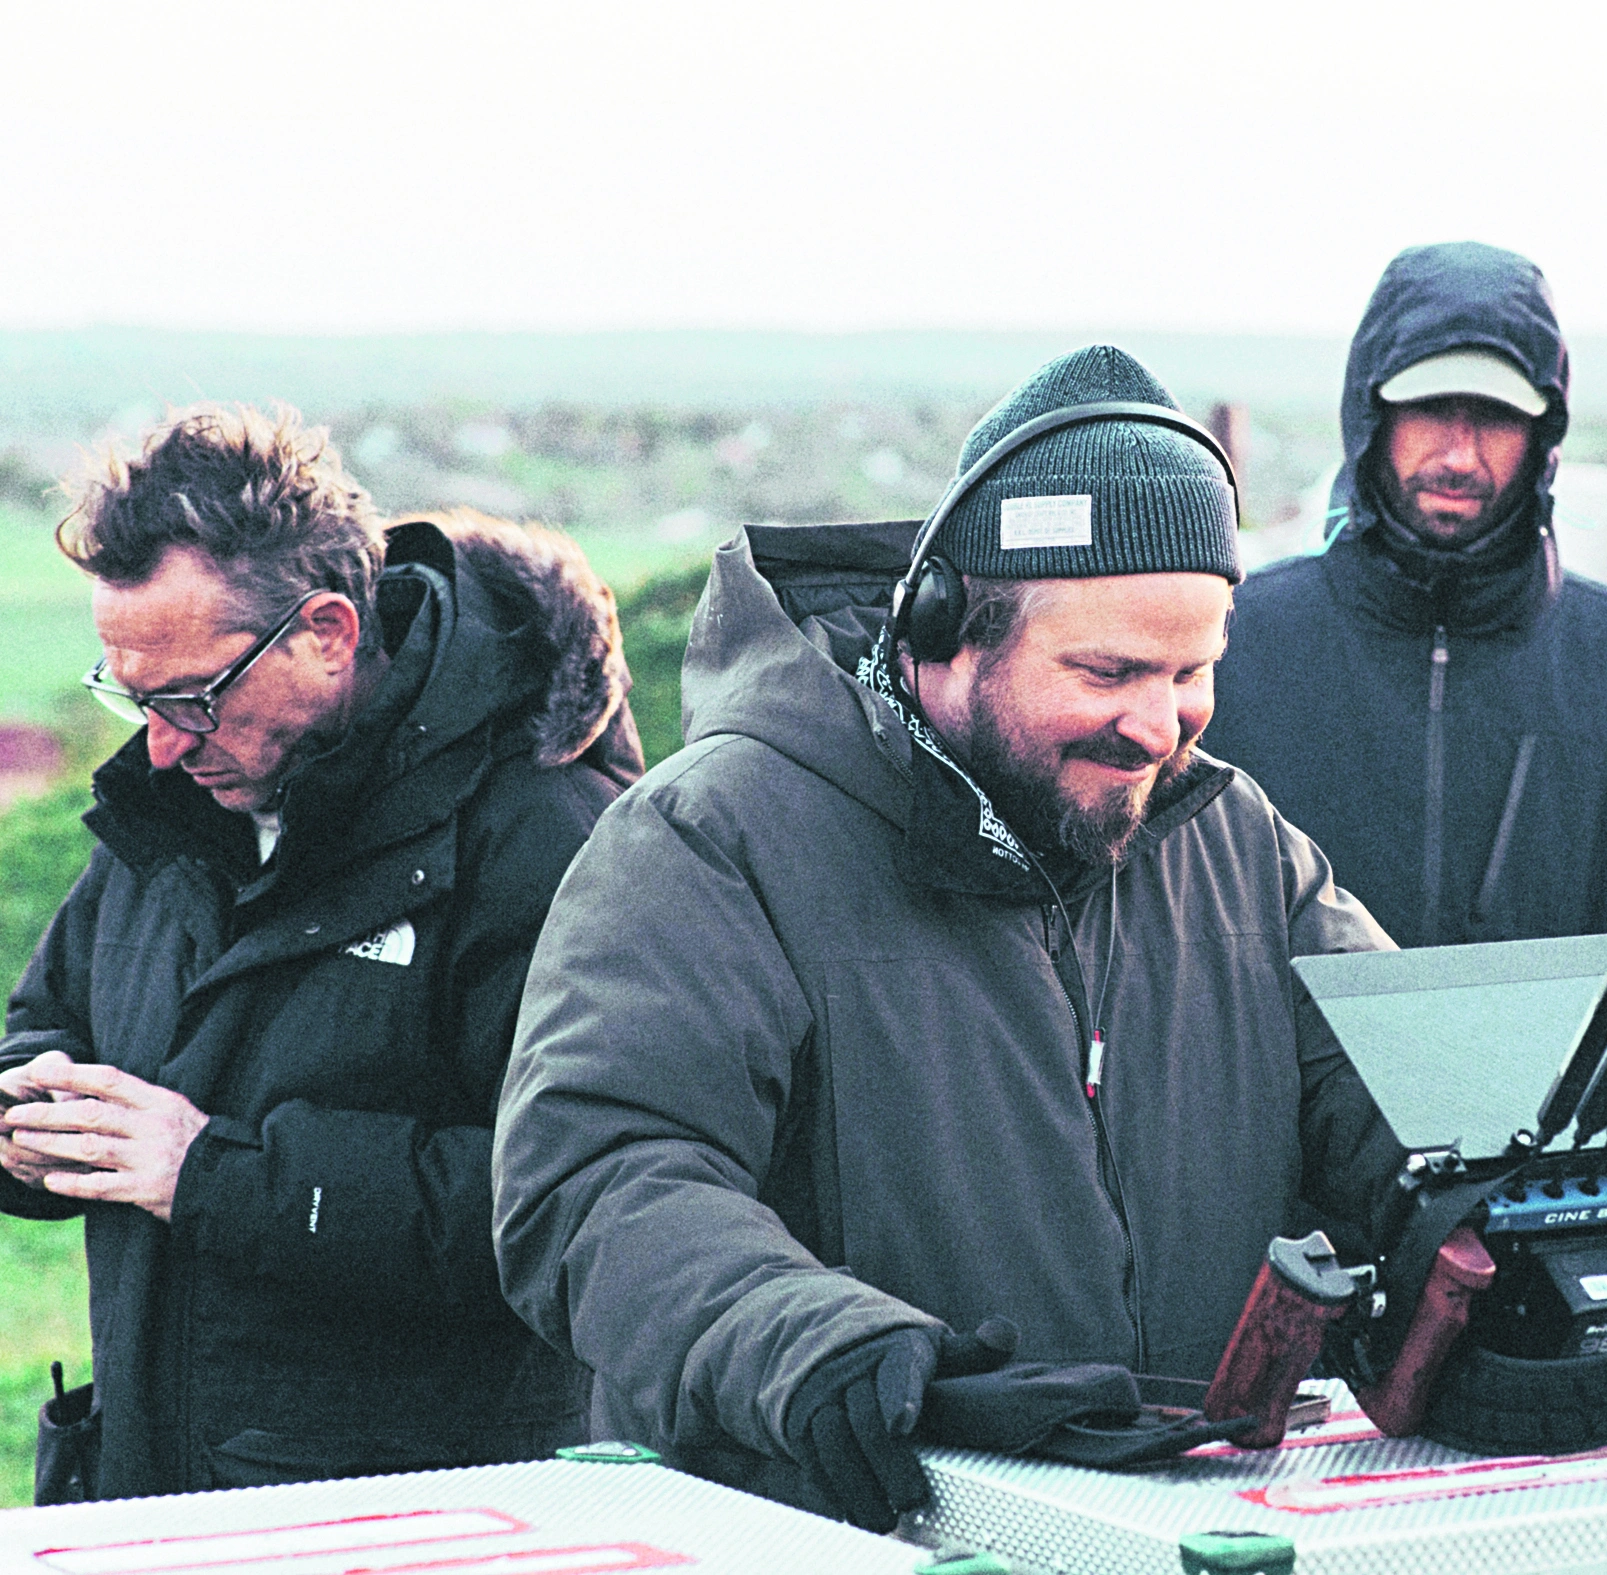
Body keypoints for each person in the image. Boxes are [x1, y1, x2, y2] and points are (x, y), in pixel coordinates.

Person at [492, 346, 1404, 1531]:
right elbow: (595, 1180)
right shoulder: (709, 837)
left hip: (1189, 1524)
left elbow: (1414, 1109)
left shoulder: (1243, 845)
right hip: (840, 1531)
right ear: (945, 633)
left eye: (1193, 673)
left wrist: (1520, 1227)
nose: (1157, 726)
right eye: (1109, 671)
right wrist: (824, 1349)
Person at [0, 409, 640, 1501]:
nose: (161, 743)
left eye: (194, 697)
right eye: (134, 695)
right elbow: (47, 1023)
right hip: (154, 1494)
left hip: (415, 1525)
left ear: (330, 633)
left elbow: (578, 1206)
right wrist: (29, 1124)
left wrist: (214, 1176)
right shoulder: (173, 799)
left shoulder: (545, 839)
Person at [1200, 241, 1607, 961]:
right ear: (1371, 415)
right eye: (1429, 409)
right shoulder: (1231, 646)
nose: (1459, 455)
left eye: (1495, 416)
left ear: (1543, 434)